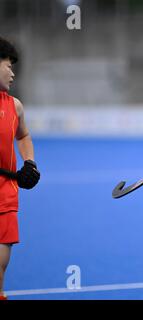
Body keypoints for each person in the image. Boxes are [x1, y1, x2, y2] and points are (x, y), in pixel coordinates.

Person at [0, 37, 40, 301]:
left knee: (0, 263)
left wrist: (29, 162)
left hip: (5, 193)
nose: (13, 73)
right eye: (8, 65)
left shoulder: (14, 106)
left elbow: (23, 136)